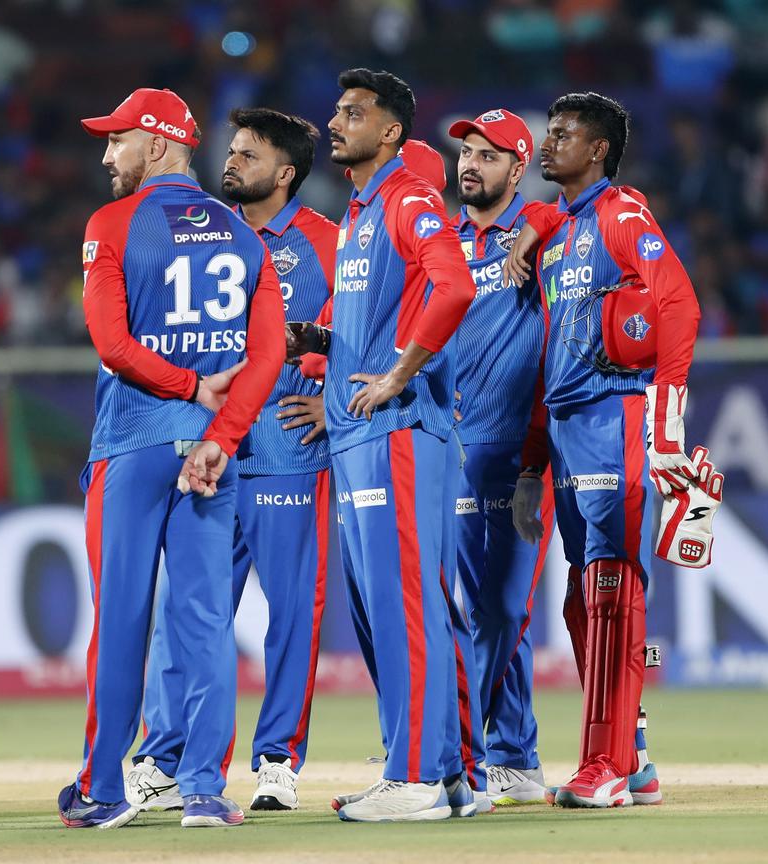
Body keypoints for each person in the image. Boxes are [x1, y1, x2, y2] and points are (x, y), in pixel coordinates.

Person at [60, 87, 285, 830]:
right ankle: (203, 790)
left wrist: (186, 385)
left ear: (157, 144)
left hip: (132, 445)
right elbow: (269, 355)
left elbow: (112, 344)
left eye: (117, 139)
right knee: (205, 620)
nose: (107, 155)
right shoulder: (246, 236)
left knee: (122, 618)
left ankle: (103, 790)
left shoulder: (113, 223)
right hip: (211, 454)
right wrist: (222, 436)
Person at [126, 107, 335, 814]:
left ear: (285, 173)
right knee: (185, 611)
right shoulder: (205, 228)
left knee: (291, 612)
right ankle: (162, 757)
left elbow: (372, 327)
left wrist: (334, 403)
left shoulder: (326, 242)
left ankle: (277, 759)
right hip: (206, 449)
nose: (232, 161)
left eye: (249, 154)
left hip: (284, 451)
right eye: (232, 149)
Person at [286, 69, 477, 822]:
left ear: (391, 131)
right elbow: (380, 317)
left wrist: (400, 371)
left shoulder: (408, 198)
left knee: (404, 603)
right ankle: (441, 773)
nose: (336, 123)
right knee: (380, 611)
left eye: (353, 113)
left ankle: (417, 779)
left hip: (397, 431)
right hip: (358, 433)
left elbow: (454, 288)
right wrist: (322, 341)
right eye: (336, 111)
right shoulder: (361, 211)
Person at [503, 92, 700, 807]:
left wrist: (667, 426)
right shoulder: (557, 232)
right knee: (581, 603)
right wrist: (532, 462)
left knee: (612, 587)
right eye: (548, 131)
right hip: (565, 428)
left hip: (614, 417)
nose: (548, 142)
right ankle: (634, 757)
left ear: (598, 151)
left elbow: (678, 304)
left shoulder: (622, 215)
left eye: (564, 134)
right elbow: (546, 356)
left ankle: (606, 767)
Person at [446, 109, 554, 806]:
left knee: (504, 608)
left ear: (518, 169)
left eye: (488, 156)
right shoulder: (444, 240)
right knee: (480, 607)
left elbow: (575, 212)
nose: (470, 164)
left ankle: (449, 748)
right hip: (457, 448)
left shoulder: (543, 235)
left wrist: (538, 222)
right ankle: (512, 754)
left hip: (520, 452)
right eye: (466, 153)